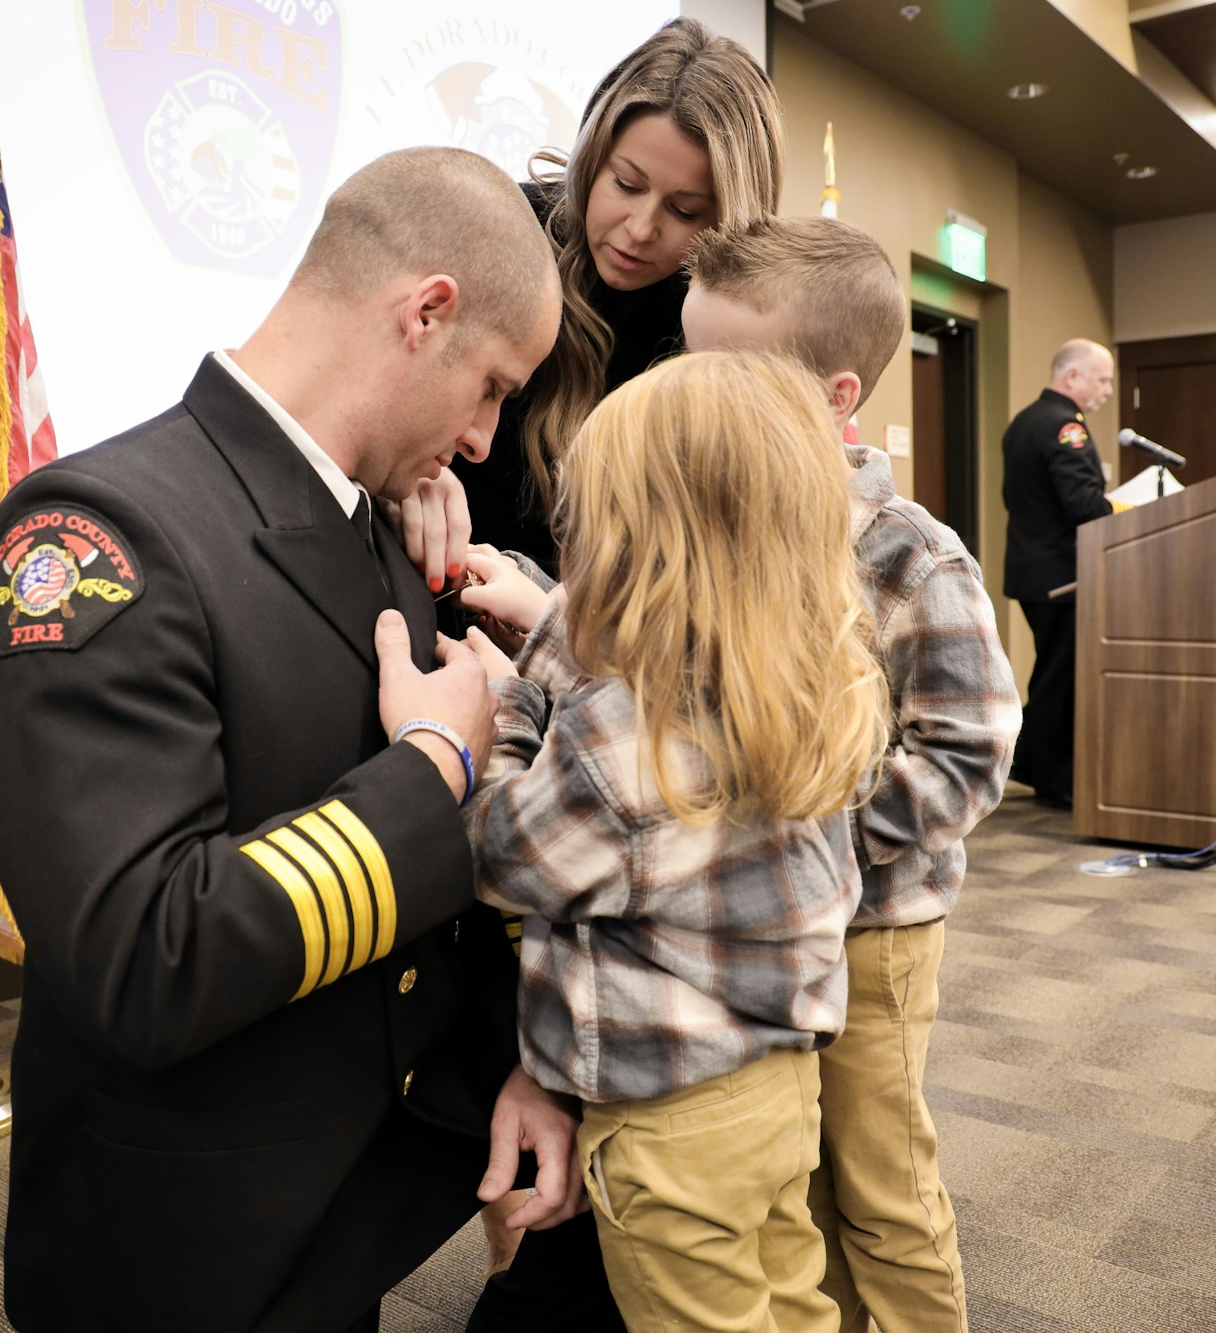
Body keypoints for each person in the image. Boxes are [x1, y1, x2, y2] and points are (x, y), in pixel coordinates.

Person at [0, 148, 574, 1333]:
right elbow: (145, 958)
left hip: (335, 1206)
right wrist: (433, 767)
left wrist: (523, 1060)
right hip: (178, 1246)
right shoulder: (95, 536)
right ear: (424, 312)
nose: (488, 440)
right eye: (490, 387)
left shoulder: (368, 521)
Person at [458, 349, 889, 1333]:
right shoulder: (795, 671)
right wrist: (546, 648)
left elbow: (501, 856)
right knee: (788, 1304)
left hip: (670, 1125)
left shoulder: (622, 728)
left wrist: (496, 717)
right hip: (774, 1087)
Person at [682, 217, 1022, 1333]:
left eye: (727, 374)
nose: (696, 396)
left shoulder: (910, 554)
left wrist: (804, 834)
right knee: (794, 1186)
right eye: (686, 365)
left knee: (880, 1188)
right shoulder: (715, 528)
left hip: (872, 933)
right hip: (759, 935)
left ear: (833, 396)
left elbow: (965, 756)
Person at [404, 16, 782, 586]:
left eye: (685, 211)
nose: (640, 229)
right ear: (590, 158)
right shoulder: (502, 230)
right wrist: (411, 470)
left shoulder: (720, 323)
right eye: (626, 185)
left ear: (732, 221)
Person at [1001, 339, 1125, 810]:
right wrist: (1123, 508)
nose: (1107, 389)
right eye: (1102, 378)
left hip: (1035, 569)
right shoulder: (1065, 427)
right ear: (1072, 377)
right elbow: (1084, 506)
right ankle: (1052, 778)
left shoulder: (1026, 421)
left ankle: (1032, 763)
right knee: (1061, 679)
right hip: (1061, 574)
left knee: (1053, 673)